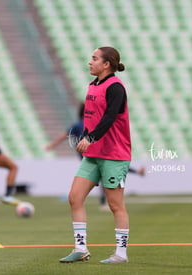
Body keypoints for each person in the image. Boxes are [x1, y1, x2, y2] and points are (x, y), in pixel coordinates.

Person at [59, 47, 131, 264]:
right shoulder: (93, 85)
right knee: (75, 198)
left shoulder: (115, 87)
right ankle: (81, 249)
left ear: (106, 64)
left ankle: (121, 254)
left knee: (115, 205)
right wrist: (87, 139)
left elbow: (109, 118)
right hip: (94, 154)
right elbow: (94, 119)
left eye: (94, 58)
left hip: (114, 154)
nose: (90, 62)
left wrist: (89, 139)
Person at [46, 103, 146, 211]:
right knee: (111, 171)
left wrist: (52, 145)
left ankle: (102, 202)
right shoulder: (91, 123)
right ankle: (104, 202)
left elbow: (65, 136)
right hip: (95, 154)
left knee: (107, 174)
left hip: (88, 156)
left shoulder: (79, 124)